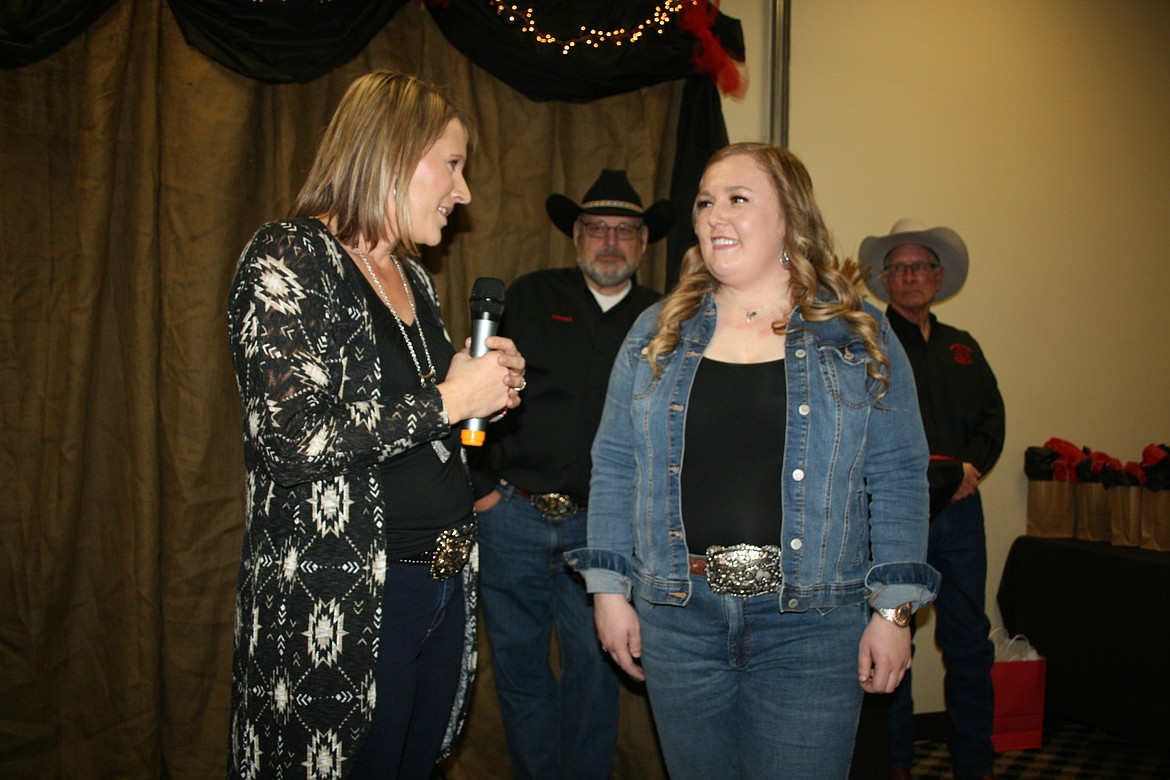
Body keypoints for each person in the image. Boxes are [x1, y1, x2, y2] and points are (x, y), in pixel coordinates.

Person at [567, 143, 941, 780]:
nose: (715, 215)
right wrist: (609, 591)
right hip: (678, 615)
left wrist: (893, 610)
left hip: (813, 622)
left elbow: (901, 475)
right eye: (706, 202)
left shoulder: (858, 335)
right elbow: (616, 464)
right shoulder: (657, 330)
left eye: (737, 199)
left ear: (791, 219)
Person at [226, 71, 526, 780]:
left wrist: (474, 391)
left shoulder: (414, 280)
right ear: (391, 153)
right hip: (347, 594)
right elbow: (292, 438)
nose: (465, 192)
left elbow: (402, 429)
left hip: (441, 585)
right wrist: (447, 401)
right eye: (452, 165)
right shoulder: (290, 256)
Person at [471, 169, 673, 780]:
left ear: (643, 242)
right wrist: (480, 488)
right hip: (513, 518)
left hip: (607, 532)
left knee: (596, 672)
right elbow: (478, 388)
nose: (609, 242)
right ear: (576, 236)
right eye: (596, 229)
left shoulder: (666, 316)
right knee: (520, 672)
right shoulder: (531, 295)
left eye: (624, 231)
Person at [860, 218, 1005, 780]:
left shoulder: (963, 347)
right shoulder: (869, 341)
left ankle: (976, 764)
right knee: (892, 639)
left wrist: (973, 467)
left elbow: (992, 418)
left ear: (938, 277)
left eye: (920, 266)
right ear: (884, 280)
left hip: (962, 515)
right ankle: (895, 763)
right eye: (898, 268)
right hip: (897, 516)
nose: (910, 277)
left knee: (969, 644)